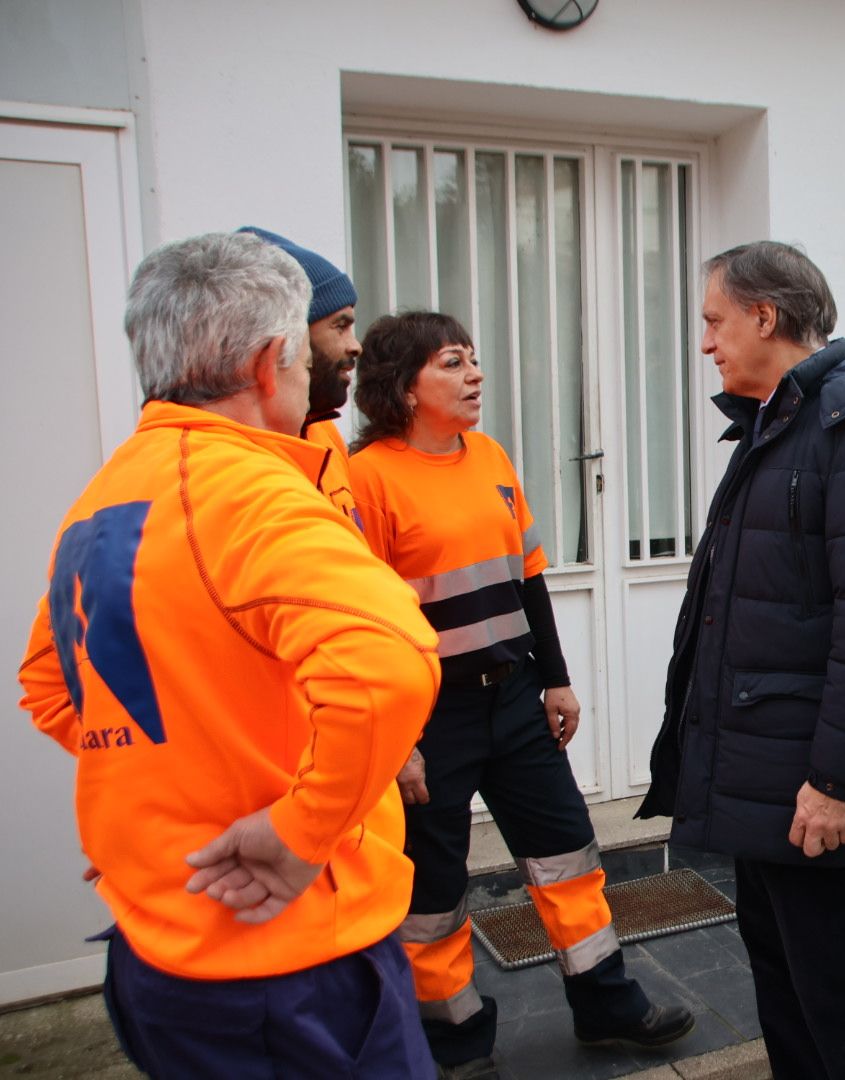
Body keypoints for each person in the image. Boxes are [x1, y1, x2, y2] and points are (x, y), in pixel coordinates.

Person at [15, 231, 442, 1077]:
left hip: (154, 947)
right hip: (284, 968)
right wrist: (298, 828)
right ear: (268, 362)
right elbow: (388, 662)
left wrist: (188, 785)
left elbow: (51, 690)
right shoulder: (247, 494)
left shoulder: (107, 494)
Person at [347, 311, 693, 1069]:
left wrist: (557, 679)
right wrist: (395, 737)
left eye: (473, 360)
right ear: (403, 388)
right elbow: (362, 620)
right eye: (451, 363)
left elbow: (528, 576)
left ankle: (607, 1006)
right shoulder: (365, 481)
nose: (474, 375)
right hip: (430, 713)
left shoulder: (491, 456)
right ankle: (456, 1040)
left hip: (514, 694)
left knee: (568, 853)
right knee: (434, 891)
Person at [637, 241, 845, 1080]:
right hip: (768, 760)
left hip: (814, 773)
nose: (707, 342)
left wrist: (839, 781)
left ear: (765, 316)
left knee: (836, 981)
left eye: (714, 320)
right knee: (783, 969)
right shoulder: (779, 423)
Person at [237, 226, 364, 529]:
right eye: (340, 326)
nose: (356, 345)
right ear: (294, 338)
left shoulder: (326, 434)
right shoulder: (241, 452)